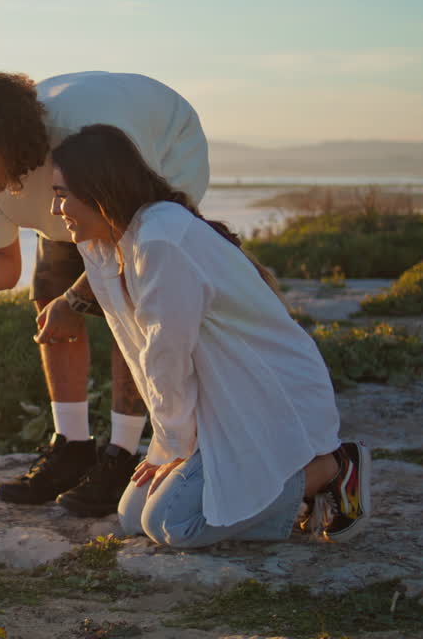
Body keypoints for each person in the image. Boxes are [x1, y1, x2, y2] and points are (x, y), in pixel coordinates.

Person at [0, 70, 210, 517]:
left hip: (161, 149)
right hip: (75, 182)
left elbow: (122, 249)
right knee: (50, 287)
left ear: (8, 147)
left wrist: (76, 301)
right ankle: (72, 446)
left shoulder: (84, 140)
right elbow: (4, 269)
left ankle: (122, 454)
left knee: (126, 299)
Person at [48, 123, 370, 545]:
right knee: (131, 517)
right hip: (215, 403)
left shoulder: (160, 240)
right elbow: (141, 349)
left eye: (62, 195)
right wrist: (173, 442)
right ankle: (281, 490)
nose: (57, 211)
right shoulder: (108, 244)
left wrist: (174, 444)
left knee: (172, 525)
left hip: (260, 399)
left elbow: (167, 354)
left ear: (99, 190)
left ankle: (331, 469)